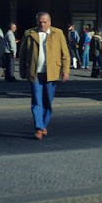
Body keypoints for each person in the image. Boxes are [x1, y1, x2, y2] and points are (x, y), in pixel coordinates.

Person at [19, 12, 70, 141]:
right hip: (35, 73)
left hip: (51, 73)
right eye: (40, 22)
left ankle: (43, 124)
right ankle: (38, 128)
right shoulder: (29, 34)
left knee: (48, 101)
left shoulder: (57, 33)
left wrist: (66, 71)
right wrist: (22, 71)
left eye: (45, 22)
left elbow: (65, 54)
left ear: (50, 22)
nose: (42, 24)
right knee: (37, 100)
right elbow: (23, 54)